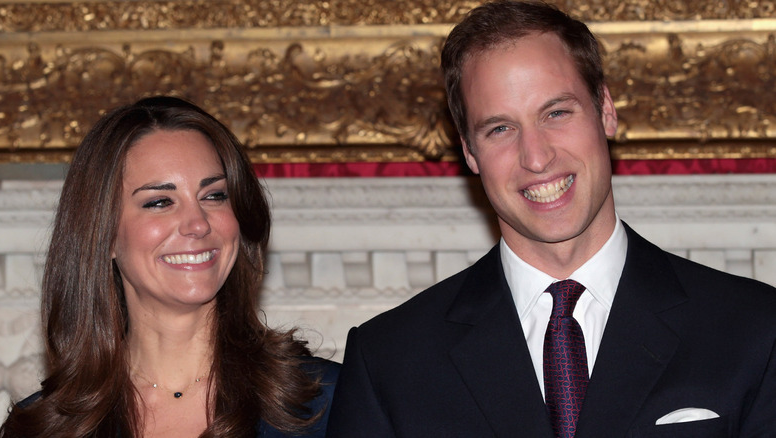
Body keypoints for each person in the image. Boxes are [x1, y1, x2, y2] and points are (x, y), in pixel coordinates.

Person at [327, 1, 776, 437]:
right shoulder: (389, 360)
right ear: (468, 150)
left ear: (606, 110)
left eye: (556, 113)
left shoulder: (756, 330)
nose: (537, 158)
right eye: (500, 128)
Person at [0, 96, 339, 437]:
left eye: (214, 195)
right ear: (103, 236)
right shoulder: (40, 428)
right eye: (160, 202)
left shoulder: (331, 401)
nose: (198, 223)